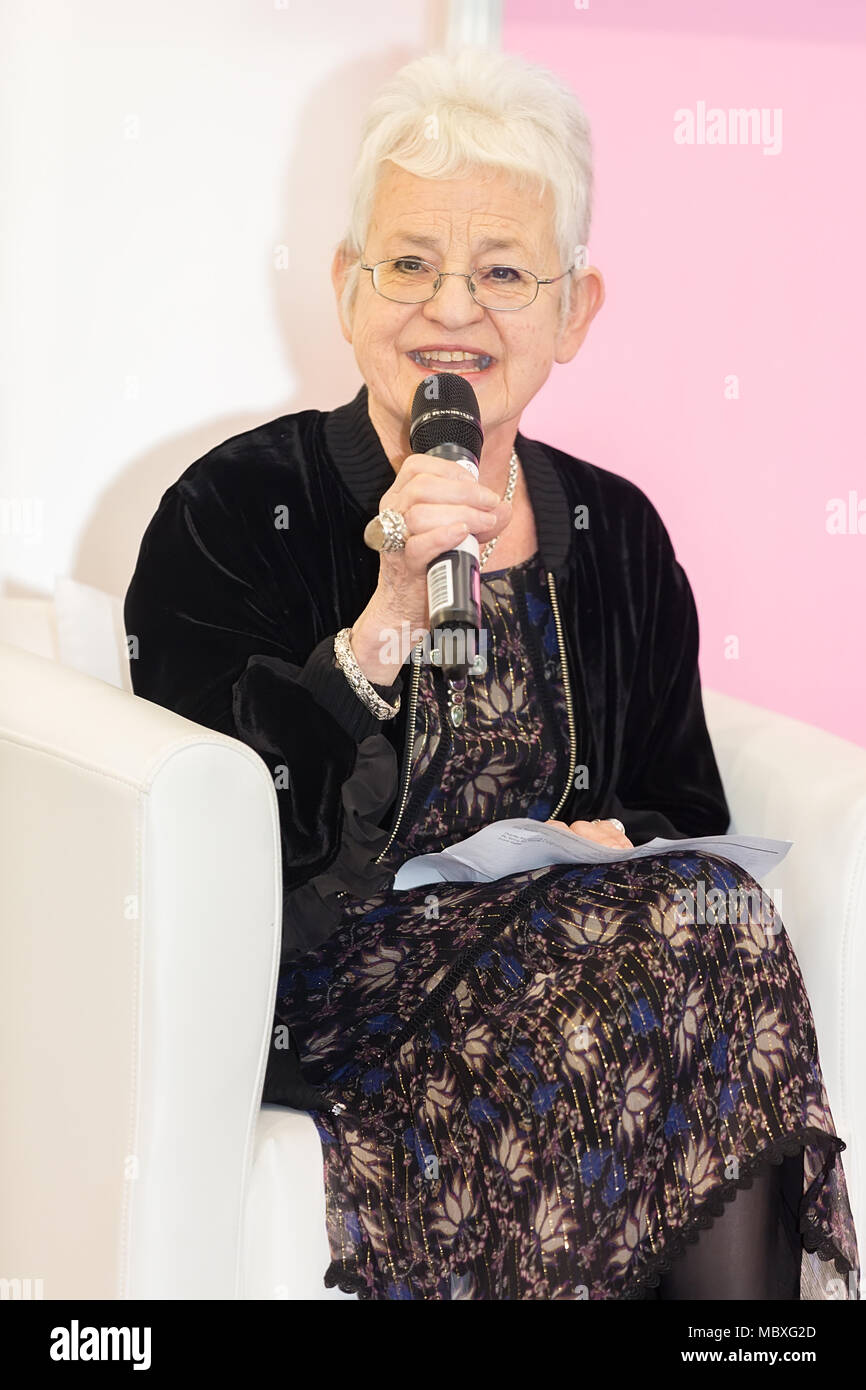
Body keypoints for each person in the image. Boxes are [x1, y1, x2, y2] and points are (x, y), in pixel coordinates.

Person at [123, 47, 859, 1301]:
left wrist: (617, 841)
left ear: (573, 312)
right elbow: (217, 829)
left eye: (504, 272)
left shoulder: (614, 533)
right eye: (409, 263)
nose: (451, 308)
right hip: (327, 994)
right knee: (687, 964)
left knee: (712, 926)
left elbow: (685, 806)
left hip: (578, 962)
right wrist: (389, 615)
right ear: (350, 292)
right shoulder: (237, 509)